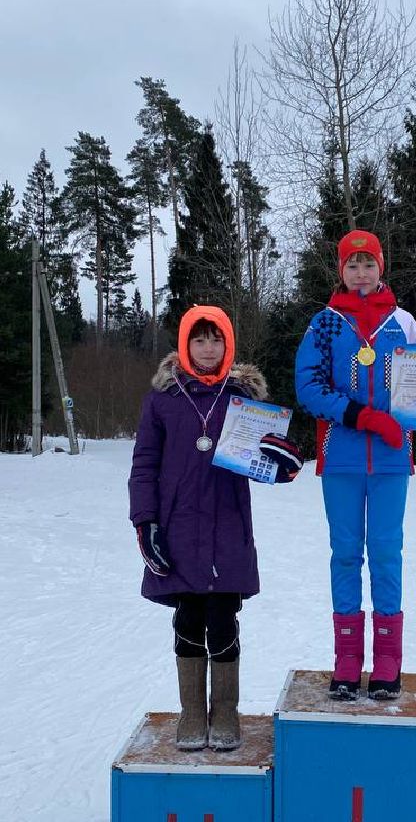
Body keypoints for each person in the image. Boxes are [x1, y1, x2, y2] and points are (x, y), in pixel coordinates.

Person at [294, 229, 416, 700]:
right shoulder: (325, 323)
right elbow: (308, 388)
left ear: (381, 267)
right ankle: (347, 658)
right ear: (341, 270)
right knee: (345, 553)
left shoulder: (403, 322)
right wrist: (362, 416)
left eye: (368, 264)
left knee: (386, 553)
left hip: (393, 459)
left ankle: (389, 659)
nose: (361, 273)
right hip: (341, 457)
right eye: (352, 265)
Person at [129, 304, 301, 750]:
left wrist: (285, 462)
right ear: (185, 344)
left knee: (223, 620)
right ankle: (191, 713)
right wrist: (144, 522)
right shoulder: (162, 400)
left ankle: (225, 712)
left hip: (228, 527)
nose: (208, 348)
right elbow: (144, 466)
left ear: (229, 344)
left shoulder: (243, 400)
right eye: (199, 339)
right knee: (188, 619)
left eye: (216, 339)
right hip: (178, 528)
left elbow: (266, 462)